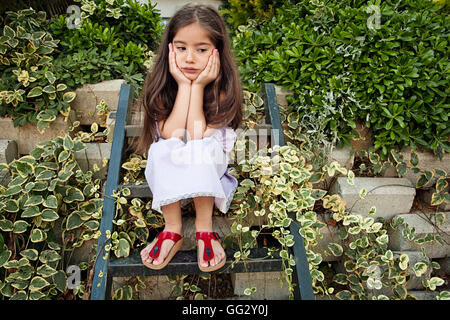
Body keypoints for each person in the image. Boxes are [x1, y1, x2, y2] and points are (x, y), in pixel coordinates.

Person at [133, 4, 243, 272]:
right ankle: (173, 228)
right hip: (172, 163)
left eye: (201, 49)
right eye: (181, 48)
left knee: (200, 148)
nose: (190, 58)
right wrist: (184, 85)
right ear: (170, 49)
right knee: (161, 149)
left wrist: (200, 85)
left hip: (207, 163)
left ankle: (204, 228)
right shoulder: (161, 85)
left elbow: (195, 135)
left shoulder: (222, 89)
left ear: (217, 52)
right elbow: (170, 134)